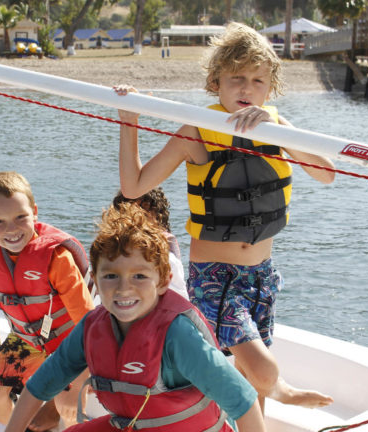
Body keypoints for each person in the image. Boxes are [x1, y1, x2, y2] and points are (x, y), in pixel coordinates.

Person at [113, 22, 335, 413]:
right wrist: (128, 117)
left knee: (253, 383)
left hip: (260, 274)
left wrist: (281, 133)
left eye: (257, 81)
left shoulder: (276, 129)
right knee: (264, 371)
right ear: (216, 82)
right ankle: (284, 389)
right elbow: (134, 187)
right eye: (237, 79)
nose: (247, 90)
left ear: (270, 89)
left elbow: (326, 173)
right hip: (214, 275)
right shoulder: (196, 132)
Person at [5, 203, 266, 432]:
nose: (123, 288)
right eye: (110, 276)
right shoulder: (91, 328)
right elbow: (38, 388)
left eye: (139, 276)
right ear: (94, 279)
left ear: (163, 281)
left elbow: (244, 402)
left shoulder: (177, 336)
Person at [0, 171, 94, 430]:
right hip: (27, 342)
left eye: (20, 217)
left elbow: (91, 325)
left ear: (34, 212)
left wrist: (78, 382)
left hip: (68, 348)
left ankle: (57, 414)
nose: (11, 229)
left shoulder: (56, 258)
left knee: (68, 405)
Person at [112, 187, 188, 299]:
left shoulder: (167, 259)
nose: (136, 223)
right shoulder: (113, 250)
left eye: (144, 216)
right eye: (129, 216)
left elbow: (178, 297)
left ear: (158, 218)